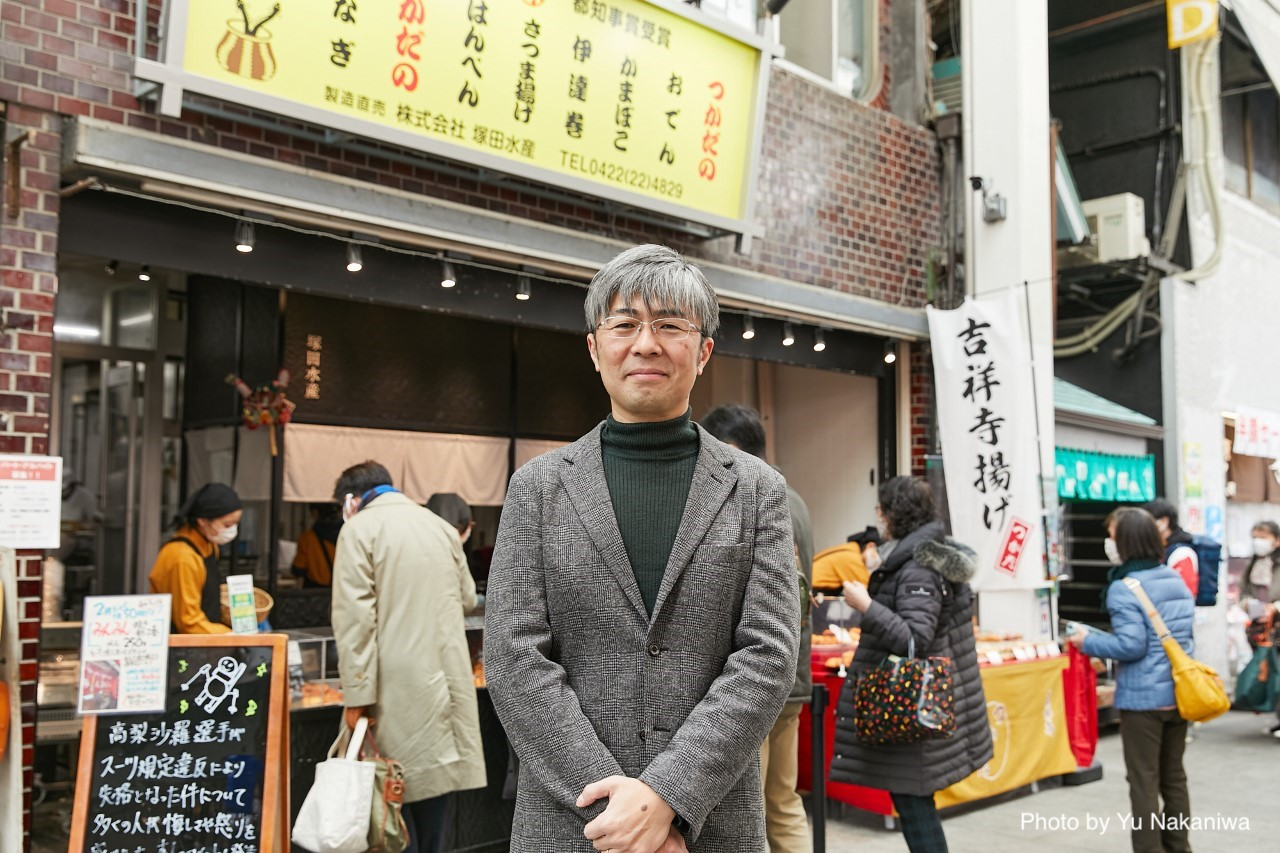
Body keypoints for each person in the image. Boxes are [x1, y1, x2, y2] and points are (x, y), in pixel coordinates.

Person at [485, 244, 800, 853]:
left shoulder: (756, 489)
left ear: (704, 350)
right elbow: (513, 657)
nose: (646, 343)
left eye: (671, 326)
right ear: (594, 347)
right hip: (571, 823)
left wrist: (669, 800)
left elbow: (768, 657)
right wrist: (619, 812)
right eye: (625, 324)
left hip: (710, 826)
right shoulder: (539, 487)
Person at [829, 477, 992, 853]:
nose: (879, 516)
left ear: (895, 513)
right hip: (917, 708)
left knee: (915, 809)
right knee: (915, 806)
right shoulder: (926, 554)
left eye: (882, 508)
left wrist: (866, 604)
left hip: (912, 709)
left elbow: (913, 639)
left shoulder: (920, 566)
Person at [331, 461, 486, 853]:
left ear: (351, 501)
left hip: (391, 692)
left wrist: (357, 698)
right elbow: (468, 599)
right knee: (433, 797)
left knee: (389, 811)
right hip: (445, 686)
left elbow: (355, 625)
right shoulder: (439, 527)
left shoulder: (358, 530)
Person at [700, 403, 813, 853]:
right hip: (793, 675)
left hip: (756, 680)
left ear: (732, 449)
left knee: (745, 811)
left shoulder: (754, 496)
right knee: (782, 801)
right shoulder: (795, 499)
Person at [1068, 507, 1194, 853]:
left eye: (1112, 536)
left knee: (1143, 782)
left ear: (1125, 542)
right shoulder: (1174, 579)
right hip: (1179, 695)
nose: (1109, 543)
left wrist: (1087, 641)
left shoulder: (1124, 588)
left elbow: (1131, 645)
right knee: (1174, 779)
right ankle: (1178, 847)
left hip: (1143, 701)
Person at [147, 483, 242, 634]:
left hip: (206, 639)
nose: (232, 530)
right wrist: (230, 636)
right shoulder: (182, 558)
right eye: (228, 524)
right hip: (181, 647)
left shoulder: (209, 545)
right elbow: (188, 622)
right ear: (202, 521)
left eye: (236, 523)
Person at [1144, 499, 1198, 597]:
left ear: (1164, 521)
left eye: (1149, 523)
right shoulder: (1164, 548)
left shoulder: (1181, 553)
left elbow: (1185, 594)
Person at [290, 502, 342, 587]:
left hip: (315, 594)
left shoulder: (308, 538)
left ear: (315, 512)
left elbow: (298, 569)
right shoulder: (348, 535)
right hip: (342, 592)